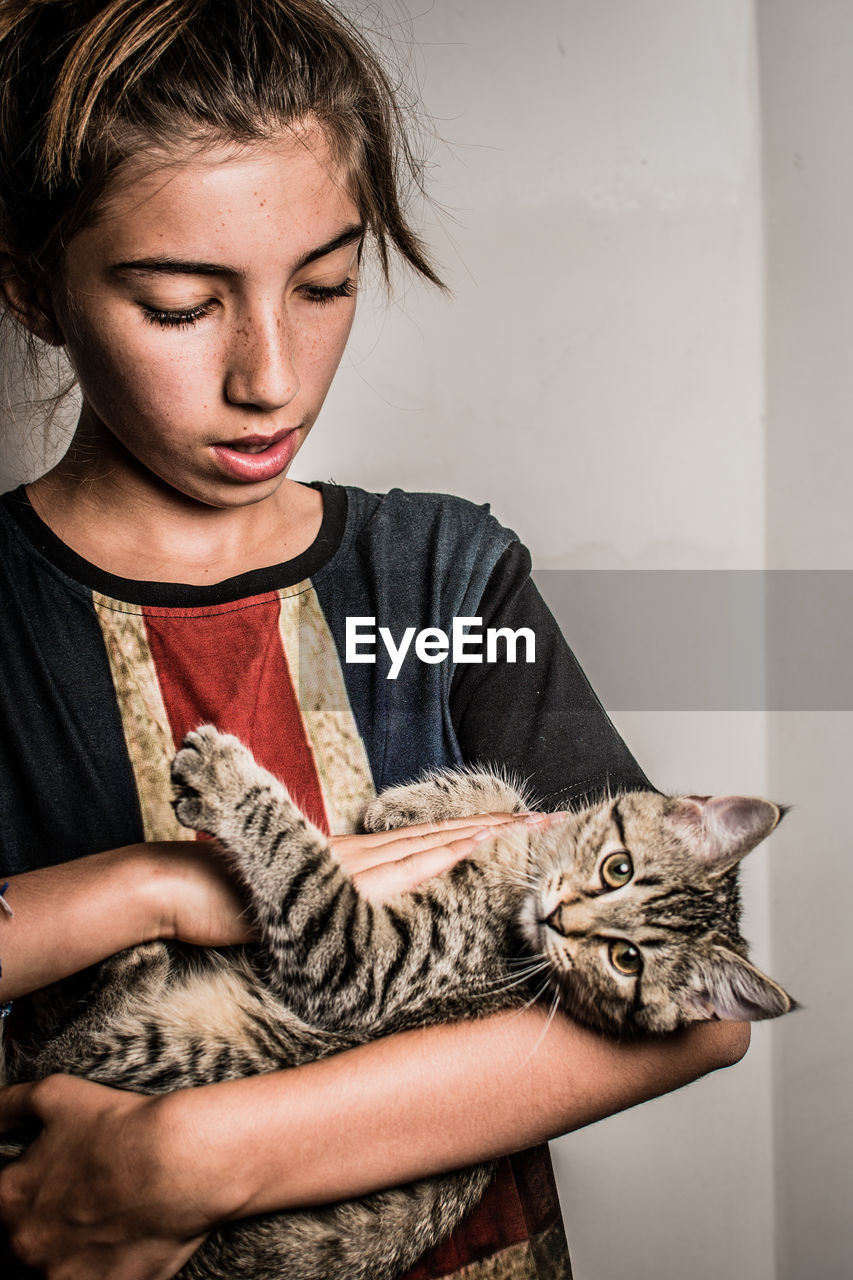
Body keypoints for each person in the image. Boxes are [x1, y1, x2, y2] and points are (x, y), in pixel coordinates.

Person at [0, 2, 749, 1277]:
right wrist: (163, 885)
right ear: (31, 284)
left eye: (328, 282)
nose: (272, 375)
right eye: (183, 305)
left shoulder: (443, 575)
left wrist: (198, 1154)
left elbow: (693, 1015)